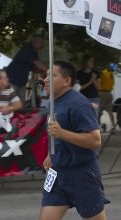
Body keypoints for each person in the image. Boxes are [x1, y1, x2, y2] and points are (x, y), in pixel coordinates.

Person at [40, 60, 108, 220]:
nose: (45, 79)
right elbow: (55, 135)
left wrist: (62, 133)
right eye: (46, 75)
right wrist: (52, 155)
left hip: (82, 174)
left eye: (52, 75)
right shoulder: (53, 103)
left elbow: (95, 140)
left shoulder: (79, 104)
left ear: (66, 80)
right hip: (57, 173)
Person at [6, 34, 48, 103]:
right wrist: (52, 71)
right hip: (11, 81)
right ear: (34, 42)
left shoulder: (34, 53)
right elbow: (39, 65)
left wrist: (44, 72)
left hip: (20, 82)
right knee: (11, 104)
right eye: (41, 43)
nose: (42, 46)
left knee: (20, 105)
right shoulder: (27, 50)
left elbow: (33, 68)